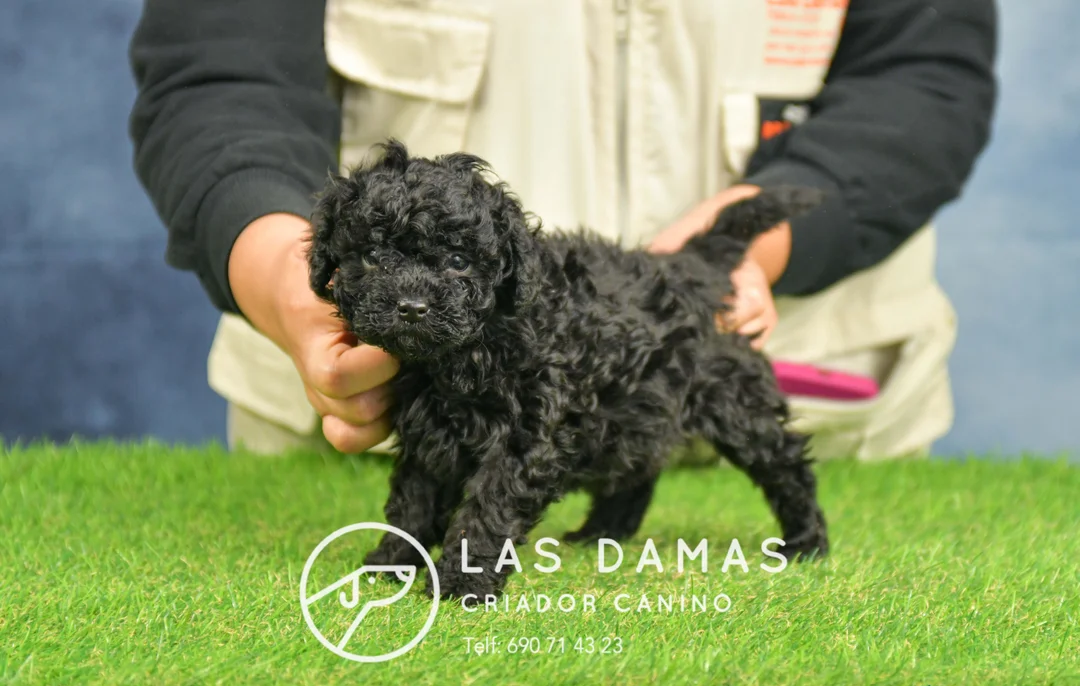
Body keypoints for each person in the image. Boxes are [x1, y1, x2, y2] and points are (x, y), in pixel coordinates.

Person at [128, 0, 997, 460]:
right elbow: (222, 75)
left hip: (795, 416)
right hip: (382, 430)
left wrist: (760, 234)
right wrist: (279, 266)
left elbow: (924, 73)